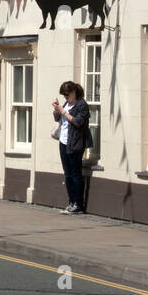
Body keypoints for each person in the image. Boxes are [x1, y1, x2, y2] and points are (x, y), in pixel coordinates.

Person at [52, 80, 93, 214]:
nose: (66, 97)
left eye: (68, 94)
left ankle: (78, 204)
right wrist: (56, 109)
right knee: (67, 174)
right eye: (64, 95)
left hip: (75, 143)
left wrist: (63, 111)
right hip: (64, 142)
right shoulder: (66, 104)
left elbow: (77, 122)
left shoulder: (82, 105)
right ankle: (71, 202)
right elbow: (58, 119)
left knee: (75, 174)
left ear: (74, 92)